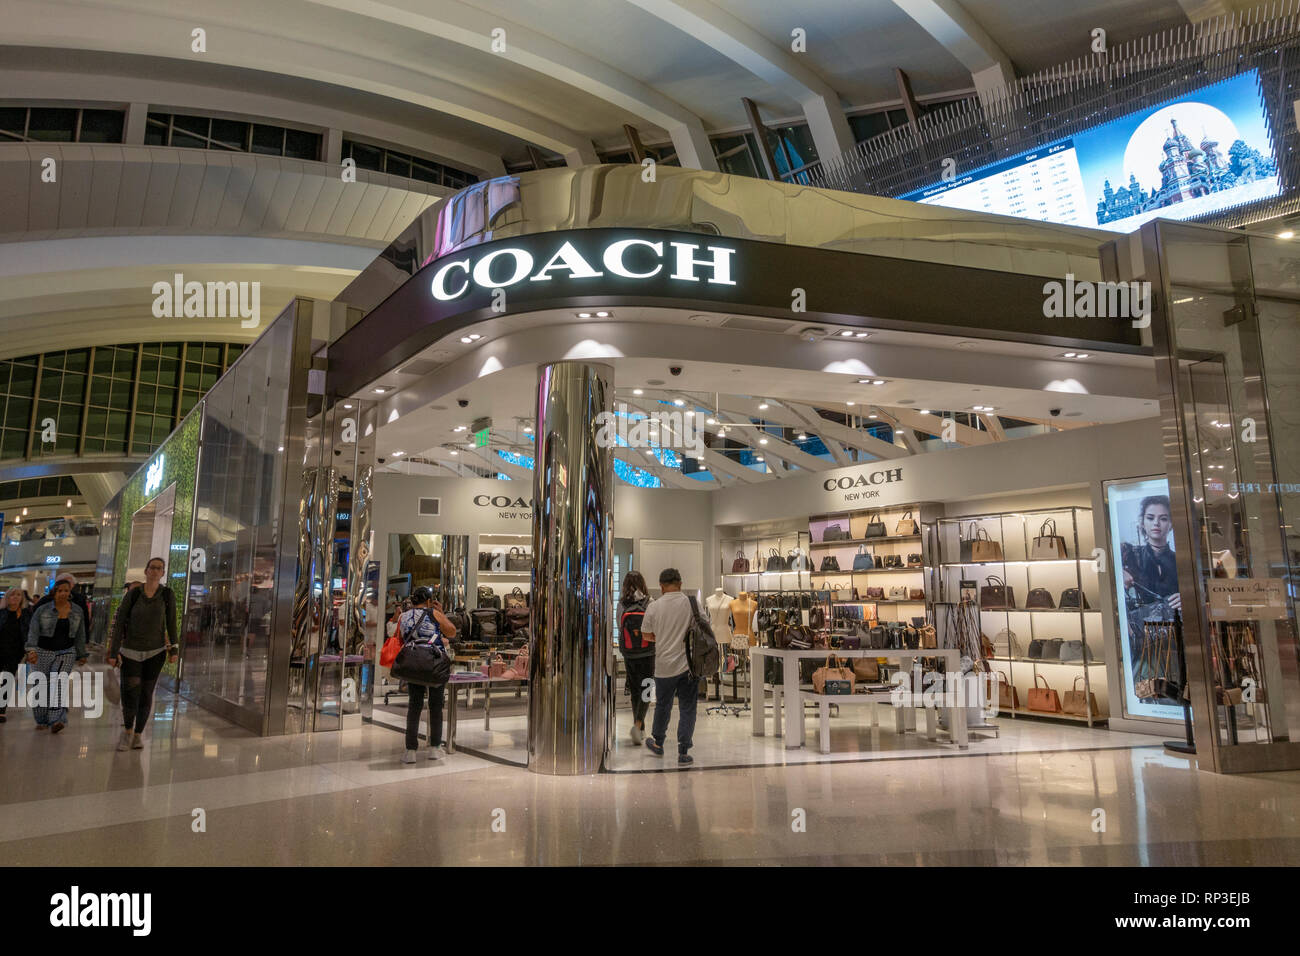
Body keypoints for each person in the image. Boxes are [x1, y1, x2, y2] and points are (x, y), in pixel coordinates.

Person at [106, 556, 178, 751]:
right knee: (130, 693)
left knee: (146, 693)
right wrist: (113, 652)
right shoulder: (134, 594)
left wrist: (174, 648)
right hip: (130, 652)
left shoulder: (167, 594)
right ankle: (127, 731)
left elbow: (171, 622)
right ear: (146, 571)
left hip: (155, 653)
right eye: (152, 567)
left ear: (163, 573)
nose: (155, 571)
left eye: (159, 568)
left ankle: (138, 734)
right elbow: (120, 622)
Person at [640, 567, 706, 765]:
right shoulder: (692, 603)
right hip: (688, 666)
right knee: (687, 707)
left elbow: (645, 634)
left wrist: (661, 637)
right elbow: (704, 626)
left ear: (661, 586)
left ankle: (658, 743)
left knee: (663, 705)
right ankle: (683, 751)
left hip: (664, 666)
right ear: (680, 584)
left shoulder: (654, 606)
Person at [398, 586, 456, 764]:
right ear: (430, 601)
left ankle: (410, 751)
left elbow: (401, 638)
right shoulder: (433, 613)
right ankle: (435, 748)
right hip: (434, 664)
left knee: (414, 706)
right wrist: (441, 614)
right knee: (436, 705)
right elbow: (452, 631)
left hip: (414, 663)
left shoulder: (403, 616)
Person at [25, 577, 88, 733]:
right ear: (54, 593)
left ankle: (56, 720)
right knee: (41, 685)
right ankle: (41, 719)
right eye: (60, 591)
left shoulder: (77, 610)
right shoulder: (43, 610)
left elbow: (80, 634)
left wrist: (81, 654)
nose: (63, 593)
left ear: (70, 592)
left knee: (58, 682)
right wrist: (31, 650)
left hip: (66, 652)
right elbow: (33, 631)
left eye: (66, 591)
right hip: (43, 651)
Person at [618, 571, 654, 745]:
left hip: (629, 653)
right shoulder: (650, 602)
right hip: (648, 652)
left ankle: (639, 728)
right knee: (647, 687)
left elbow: (619, 625)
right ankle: (639, 724)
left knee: (634, 690)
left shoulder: (622, 604)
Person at [0, 588, 32, 724]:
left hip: (15, 653)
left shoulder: (25, 614)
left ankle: (1, 710)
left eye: (18, 595)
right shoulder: (1, 613)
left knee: (7, 680)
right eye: (12, 594)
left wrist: (29, 650)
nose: (15, 597)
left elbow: (29, 633)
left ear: (22, 598)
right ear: (7, 597)